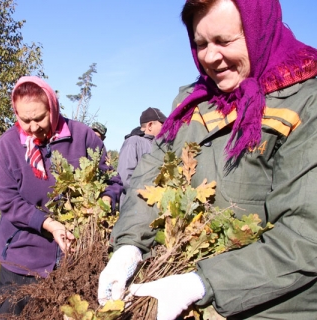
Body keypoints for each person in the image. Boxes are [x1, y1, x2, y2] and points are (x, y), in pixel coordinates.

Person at [98, 0, 317, 319]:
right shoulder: (193, 103)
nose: (211, 57)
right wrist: (128, 247)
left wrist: (202, 284)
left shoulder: (305, 101)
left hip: (274, 308)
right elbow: (150, 176)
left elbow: (305, 235)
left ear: (259, 30)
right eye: (200, 44)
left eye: (225, 41)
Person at [0, 76, 123, 316]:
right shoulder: (8, 144)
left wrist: (103, 202)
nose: (33, 127)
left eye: (40, 118)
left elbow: (112, 181)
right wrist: (49, 224)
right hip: (23, 257)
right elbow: (8, 200)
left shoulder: (82, 136)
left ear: (53, 107)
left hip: (74, 259)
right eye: (25, 119)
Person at [117, 107, 166, 203]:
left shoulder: (161, 146)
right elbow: (125, 177)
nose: (165, 127)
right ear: (150, 125)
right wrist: (146, 193)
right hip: (134, 203)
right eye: (162, 124)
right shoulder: (133, 142)